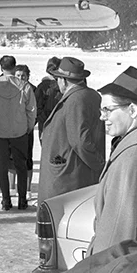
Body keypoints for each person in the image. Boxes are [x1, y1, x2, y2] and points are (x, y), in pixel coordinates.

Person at [86, 66, 137, 256]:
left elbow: (119, 228)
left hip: (115, 265)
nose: (102, 117)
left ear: (132, 110)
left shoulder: (131, 157)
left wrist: (100, 271)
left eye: (108, 110)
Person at [38, 57, 106, 204]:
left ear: (64, 80)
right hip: (73, 171)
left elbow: (80, 141)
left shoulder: (76, 99)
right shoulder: (90, 95)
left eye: (58, 79)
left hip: (67, 177)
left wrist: (99, 166)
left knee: (58, 219)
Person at [0, 56, 36, 210]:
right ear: (14, 67)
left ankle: (6, 200)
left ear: (1, 67)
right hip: (20, 131)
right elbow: (31, 110)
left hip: (0, 132)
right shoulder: (25, 86)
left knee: (2, 166)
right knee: (21, 165)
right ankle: (22, 200)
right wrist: (28, 127)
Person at [8, 64, 37, 200]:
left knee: (27, 158)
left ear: (28, 76)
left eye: (23, 75)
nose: (20, 78)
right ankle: (11, 187)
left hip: (26, 129)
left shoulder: (32, 89)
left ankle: (27, 189)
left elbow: (35, 110)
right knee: (11, 157)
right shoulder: (10, 89)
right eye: (18, 75)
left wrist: (30, 125)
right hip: (12, 129)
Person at [35, 57, 62, 140]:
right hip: (47, 121)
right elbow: (37, 106)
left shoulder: (64, 85)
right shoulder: (43, 86)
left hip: (54, 121)